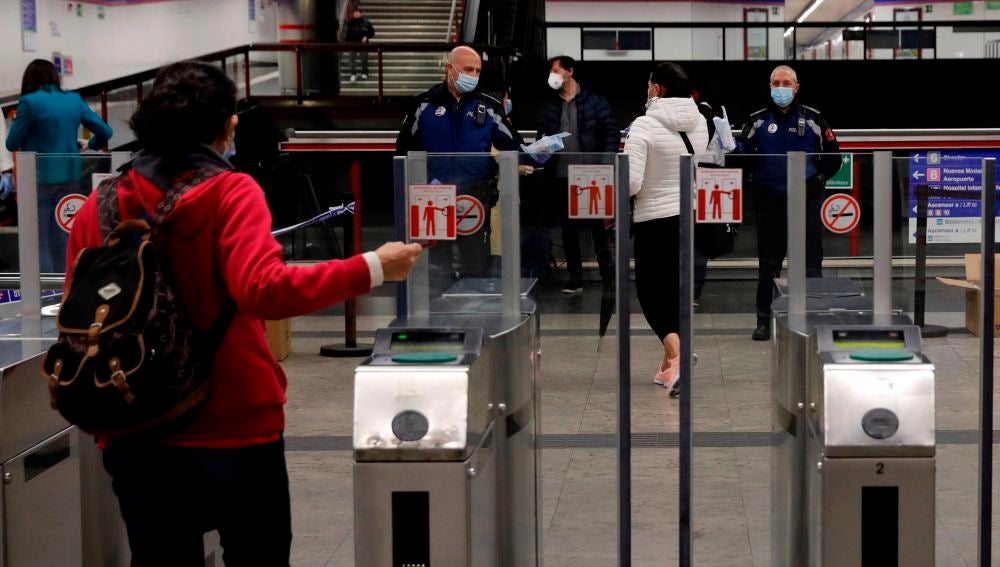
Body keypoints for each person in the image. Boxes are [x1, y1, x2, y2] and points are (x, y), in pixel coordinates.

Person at [65, 61, 421, 566]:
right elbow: (263, 290)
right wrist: (371, 267)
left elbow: (79, 311)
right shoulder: (228, 192)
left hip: (132, 422)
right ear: (223, 124)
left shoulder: (98, 205)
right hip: (231, 423)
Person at [396, 46, 524, 291]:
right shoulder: (423, 105)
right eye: (468, 69)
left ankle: (476, 323)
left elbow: (513, 144)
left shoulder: (489, 107)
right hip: (432, 199)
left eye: (477, 71)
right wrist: (426, 181)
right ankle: (434, 321)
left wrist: (535, 153)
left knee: (475, 269)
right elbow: (404, 149)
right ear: (450, 69)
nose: (473, 75)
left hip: (474, 198)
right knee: (435, 270)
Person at [732, 65, 842, 341]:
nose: (781, 87)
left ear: (796, 87)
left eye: (786, 83)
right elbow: (742, 157)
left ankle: (813, 318)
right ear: (770, 86)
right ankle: (764, 320)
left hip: (806, 201)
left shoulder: (814, 119)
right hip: (770, 202)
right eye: (776, 82)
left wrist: (816, 181)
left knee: (810, 264)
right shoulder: (757, 121)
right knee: (769, 265)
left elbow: (833, 158)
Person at [624, 62, 709, 397]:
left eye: (649, 85)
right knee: (675, 293)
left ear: (657, 89)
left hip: (654, 220)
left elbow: (631, 181)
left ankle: (680, 356)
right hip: (688, 216)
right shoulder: (699, 122)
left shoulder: (643, 126)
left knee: (651, 293)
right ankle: (668, 369)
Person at [6, 59, 113, 273]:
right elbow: (105, 131)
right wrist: (90, 145)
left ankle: (46, 294)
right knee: (63, 236)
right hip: (71, 179)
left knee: (40, 241)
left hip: (39, 180)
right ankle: (66, 287)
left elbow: (11, 143)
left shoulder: (29, 102)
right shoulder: (74, 99)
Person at [537, 55, 619, 295]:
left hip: (591, 175)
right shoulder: (551, 105)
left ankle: (608, 276)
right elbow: (543, 135)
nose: (552, 75)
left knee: (598, 227)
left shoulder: (594, 101)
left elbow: (611, 131)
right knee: (568, 229)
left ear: (569, 71)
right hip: (562, 175)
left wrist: (605, 163)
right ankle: (575, 279)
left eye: (556, 70)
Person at [344, 7, 375, 82]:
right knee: (351, 60)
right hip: (353, 44)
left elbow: (372, 32)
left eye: (358, 13)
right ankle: (353, 74)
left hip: (363, 44)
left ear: (361, 13)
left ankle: (364, 73)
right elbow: (347, 34)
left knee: (364, 59)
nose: (356, 14)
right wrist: (348, 42)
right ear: (353, 14)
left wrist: (366, 37)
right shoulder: (350, 23)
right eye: (355, 13)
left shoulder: (366, 22)